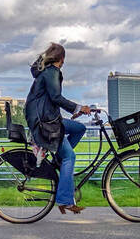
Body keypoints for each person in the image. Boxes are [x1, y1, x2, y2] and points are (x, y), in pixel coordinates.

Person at [24, 42, 91, 214]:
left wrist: (75, 112)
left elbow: (50, 100)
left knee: (79, 129)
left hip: (48, 120)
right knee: (70, 156)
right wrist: (78, 107)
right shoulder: (52, 72)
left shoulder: (46, 72)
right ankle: (64, 200)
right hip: (46, 124)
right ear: (61, 58)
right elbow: (55, 97)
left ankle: (57, 160)